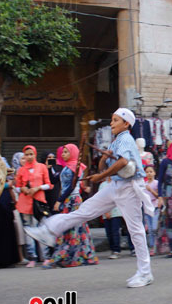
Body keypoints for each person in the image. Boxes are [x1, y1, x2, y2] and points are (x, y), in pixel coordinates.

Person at [24, 108, 155, 288]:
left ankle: (145, 273)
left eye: (115, 120)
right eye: (112, 119)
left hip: (129, 189)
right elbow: (105, 164)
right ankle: (49, 230)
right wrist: (105, 157)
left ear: (126, 124)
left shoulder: (125, 138)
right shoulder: (116, 141)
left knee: (136, 230)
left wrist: (101, 176)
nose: (111, 123)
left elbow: (124, 162)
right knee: (84, 211)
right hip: (116, 186)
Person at [45, 144, 99, 268]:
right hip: (68, 200)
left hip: (73, 201)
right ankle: (77, 255)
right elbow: (54, 181)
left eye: (66, 152)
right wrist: (49, 168)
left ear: (73, 153)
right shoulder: (66, 167)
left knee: (72, 228)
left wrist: (60, 200)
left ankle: (68, 257)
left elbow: (71, 186)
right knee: (72, 228)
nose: (63, 154)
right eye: (62, 152)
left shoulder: (75, 167)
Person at [16, 145, 52, 268]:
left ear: (35, 155)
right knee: (28, 231)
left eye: (31, 154)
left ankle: (46, 257)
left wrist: (38, 188)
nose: (29, 157)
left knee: (42, 229)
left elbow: (48, 184)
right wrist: (23, 188)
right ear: (24, 156)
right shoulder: (21, 170)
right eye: (26, 155)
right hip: (24, 204)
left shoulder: (41, 167)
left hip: (39, 203)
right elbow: (16, 186)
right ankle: (32, 257)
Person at [99, 177, 123, 259]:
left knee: (115, 231)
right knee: (108, 233)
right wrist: (106, 211)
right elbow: (100, 199)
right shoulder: (102, 185)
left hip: (116, 211)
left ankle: (117, 250)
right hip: (106, 212)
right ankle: (112, 249)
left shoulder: (117, 184)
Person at [143, 166, 159, 256]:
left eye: (151, 172)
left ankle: (157, 245)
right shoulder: (144, 184)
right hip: (147, 209)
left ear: (154, 173)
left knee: (154, 228)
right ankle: (152, 247)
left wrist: (150, 190)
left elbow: (158, 195)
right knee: (150, 230)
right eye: (147, 172)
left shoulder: (156, 183)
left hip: (155, 207)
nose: (149, 173)